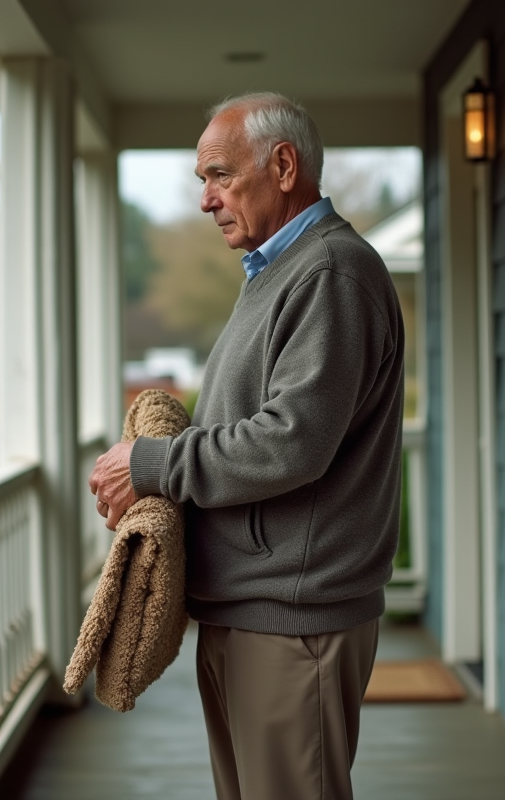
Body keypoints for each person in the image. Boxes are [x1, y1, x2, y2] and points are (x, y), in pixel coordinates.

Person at [88, 91, 405, 800]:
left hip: (294, 621)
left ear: (283, 165)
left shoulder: (330, 274)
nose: (206, 199)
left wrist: (152, 466)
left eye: (219, 175)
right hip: (256, 608)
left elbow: (291, 441)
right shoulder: (278, 275)